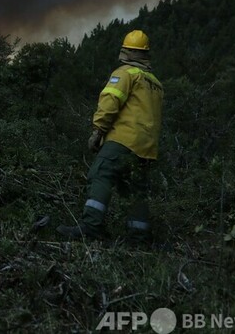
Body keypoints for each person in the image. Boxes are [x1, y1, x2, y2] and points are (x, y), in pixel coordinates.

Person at [57, 29, 164, 242]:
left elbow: (110, 102)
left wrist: (98, 131)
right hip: (146, 148)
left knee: (101, 174)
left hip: (123, 140)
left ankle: (91, 227)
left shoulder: (125, 73)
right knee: (135, 190)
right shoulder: (156, 83)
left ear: (126, 52)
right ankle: (139, 238)